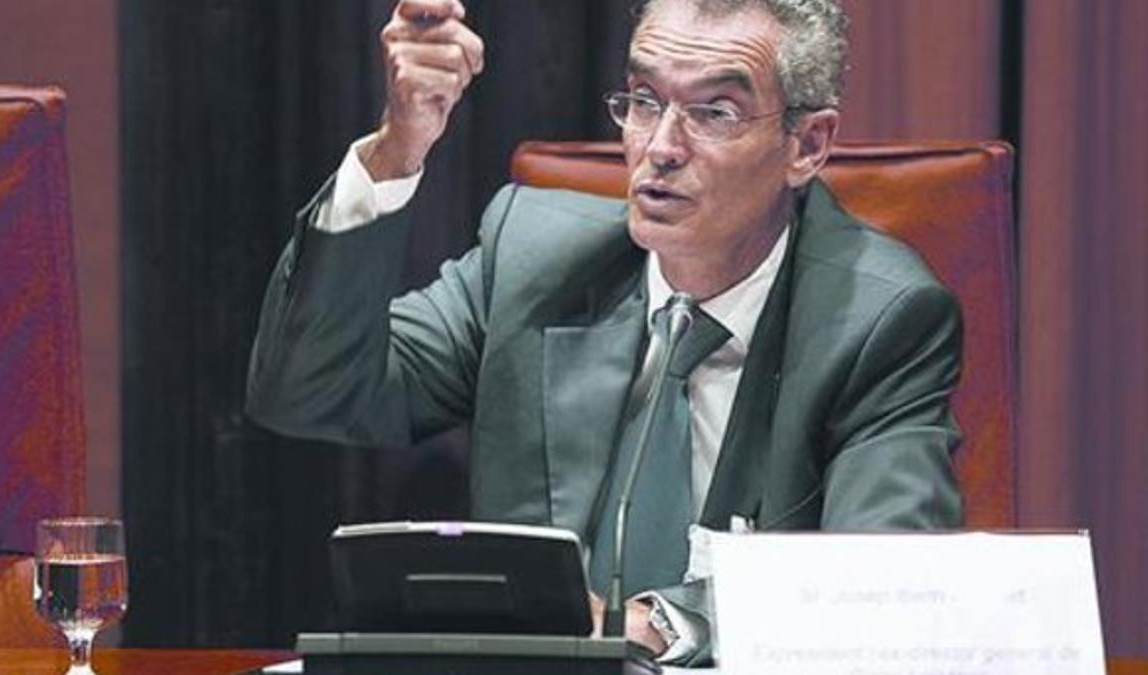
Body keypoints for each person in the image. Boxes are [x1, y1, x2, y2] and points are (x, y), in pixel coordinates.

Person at [247, 0, 963, 665]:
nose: (660, 147)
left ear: (807, 143)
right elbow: (312, 391)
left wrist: (657, 623)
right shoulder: (530, 259)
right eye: (644, 102)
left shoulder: (880, 320)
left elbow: (883, 578)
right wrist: (396, 149)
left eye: (714, 111)